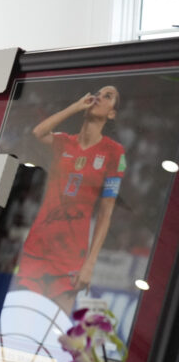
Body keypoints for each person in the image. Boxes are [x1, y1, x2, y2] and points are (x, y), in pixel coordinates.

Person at [16, 85, 125, 313]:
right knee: (23, 318)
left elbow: (106, 213)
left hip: (70, 255)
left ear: (112, 113)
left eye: (108, 96)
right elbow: (38, 133)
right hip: (38, 245)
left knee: (56, 330)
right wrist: (75, 107)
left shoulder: (114, 152)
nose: (99, 97)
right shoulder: (65, 142)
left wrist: (90, 264)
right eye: (98, 93)